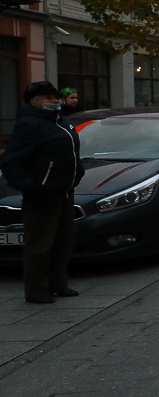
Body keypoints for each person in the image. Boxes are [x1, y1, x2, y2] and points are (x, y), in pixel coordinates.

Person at [0, 82, 85, 304]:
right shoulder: (30, 124)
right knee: (40, 245)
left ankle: (59, 284)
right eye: (48, 98)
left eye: (55, 97)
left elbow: (71, 154)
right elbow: (11, 162)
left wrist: (77, 173)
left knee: (64, 241)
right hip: (42, 195)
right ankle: (37, 290)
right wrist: (32, 187)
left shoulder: (63, 122)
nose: (54, 101)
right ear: (34, 102)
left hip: (65, 191)